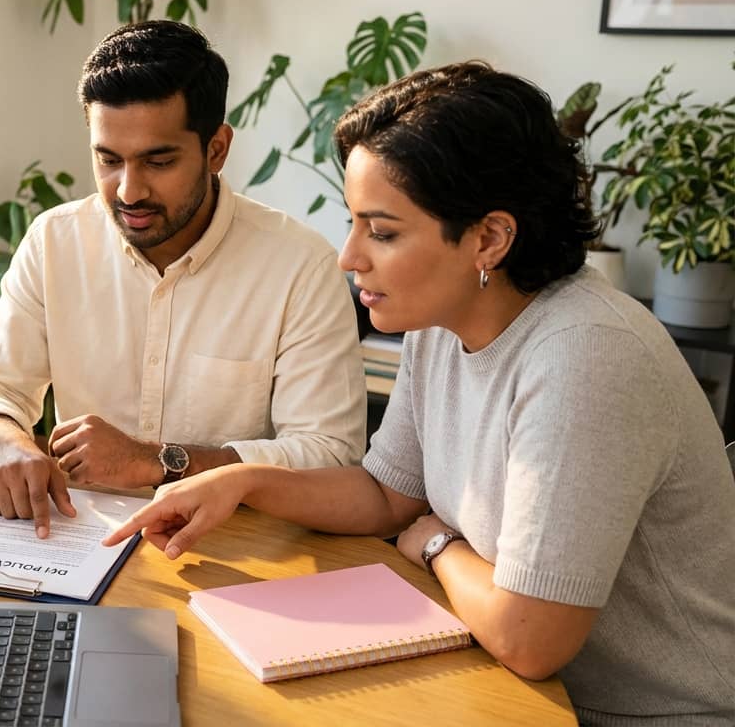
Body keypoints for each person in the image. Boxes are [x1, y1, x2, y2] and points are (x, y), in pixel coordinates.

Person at [104, 62, 735, 724]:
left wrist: (438, 546)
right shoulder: (442, 322)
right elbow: (387, 497)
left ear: (489, 238)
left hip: (655, 715)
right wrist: (244, 481)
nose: (349, 257)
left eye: (382, 232)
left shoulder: (586, 357)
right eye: (354, 224)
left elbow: (529, 638)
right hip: (515, 685)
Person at [0, 20, 365, 539]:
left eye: (158, 161)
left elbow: (331, 457)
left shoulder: (300, 266)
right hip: (80, 543)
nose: (128, 191)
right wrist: (7, 444)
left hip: (231, 549)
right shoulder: (54, 241)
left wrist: (158, 460)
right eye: (108, 160)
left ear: (216, 149)